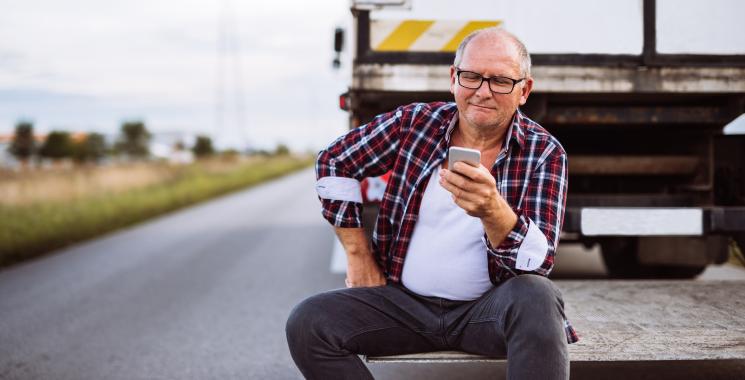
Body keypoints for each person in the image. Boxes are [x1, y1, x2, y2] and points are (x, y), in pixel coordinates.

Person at [286, 27, 578, 380]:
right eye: (471, 77)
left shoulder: (544, 152)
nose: (482, 92)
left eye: (500, 81)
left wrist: (492, 209)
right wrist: (359, 256)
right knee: (308, 323)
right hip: (404, 306)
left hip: (485, 313)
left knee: (538, 297)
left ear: (524, 91)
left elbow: (538, 261)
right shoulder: (415, 123)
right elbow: (334, 161)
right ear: (454, 78)